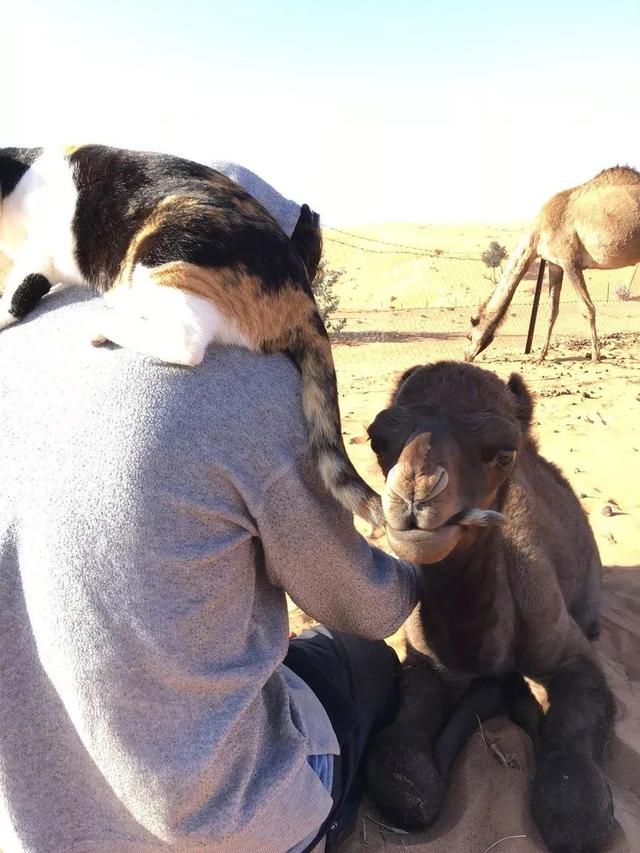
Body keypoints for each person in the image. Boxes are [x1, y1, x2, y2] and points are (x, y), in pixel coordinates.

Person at [0, 284, 419, 852]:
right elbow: (367, 607)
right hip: (224, 825)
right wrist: (423, 565)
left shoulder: (15, 341)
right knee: (360, 655)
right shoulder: (246, 380)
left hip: (29, 830)